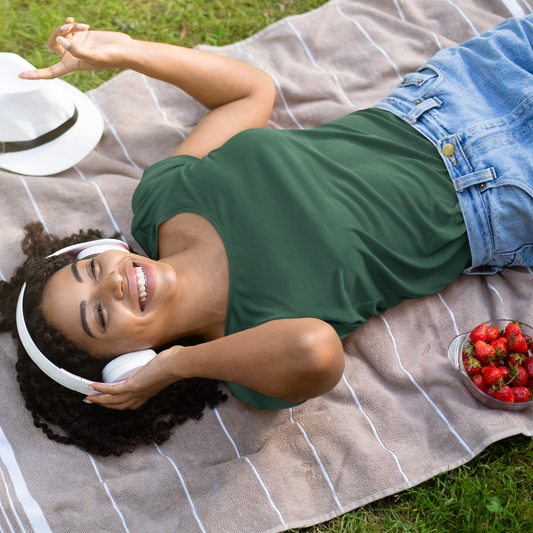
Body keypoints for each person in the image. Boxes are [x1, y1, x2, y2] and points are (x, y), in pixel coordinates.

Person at [1, 14, 532, 456]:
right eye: (98, 315)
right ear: (123, 366)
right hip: (503, 196)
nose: (111, 284)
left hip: (457, 90)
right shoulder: (251, 360)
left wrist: (130, 52)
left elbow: (249, 93)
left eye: (90, 269)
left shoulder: (159, 201)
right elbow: (316, 350)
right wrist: (176, 367)